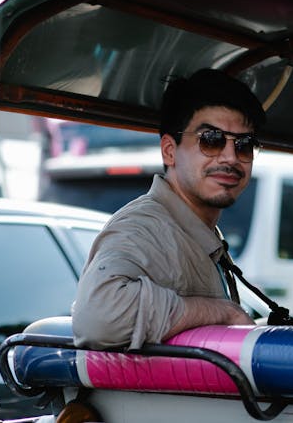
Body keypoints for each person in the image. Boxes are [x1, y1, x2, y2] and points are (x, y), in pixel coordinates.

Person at [72, 68, 264, 349]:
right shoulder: (143, 226)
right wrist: (224, 312)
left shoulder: (198, 232)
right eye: (211, 140)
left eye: (244, 146)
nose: (231, 157)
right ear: (169, 151)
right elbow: (97, 318)